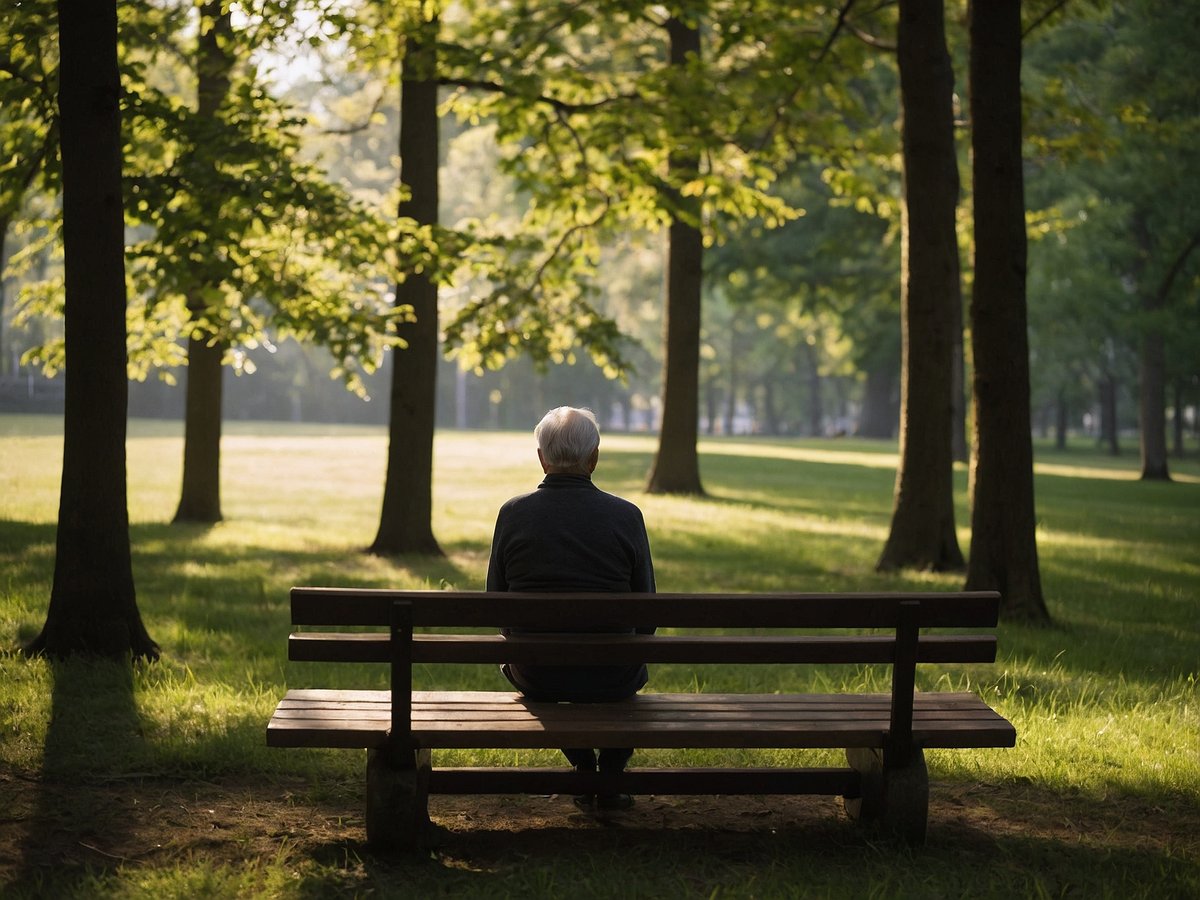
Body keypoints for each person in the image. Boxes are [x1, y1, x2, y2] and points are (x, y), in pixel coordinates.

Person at [486, 406, 656, 811]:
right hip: (613, 673)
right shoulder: (626, 516)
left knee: (537, 672)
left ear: (541, 458)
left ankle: (583, 765)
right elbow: (647, 614)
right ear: (593, 458)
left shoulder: (513, 514)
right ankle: (610, 772)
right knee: (627, 670)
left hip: (538, 673)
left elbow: (496, 605)